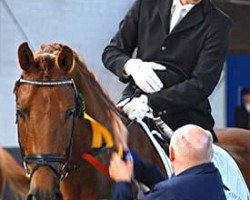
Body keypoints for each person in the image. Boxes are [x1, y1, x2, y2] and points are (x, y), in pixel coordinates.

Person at [102, 0, 232, 142]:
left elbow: (202, 84)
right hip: (133, 102)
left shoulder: (218, 23)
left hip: (182, 116)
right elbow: (112, 52)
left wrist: (150, 103)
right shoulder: (146, 4)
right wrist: (131, 66)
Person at [109, 124, 226, 200]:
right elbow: (175, 188)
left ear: (172, 153)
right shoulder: (213, 178)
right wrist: (127, 154)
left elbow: (170, 191)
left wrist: (122, 182)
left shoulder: (169, 193)